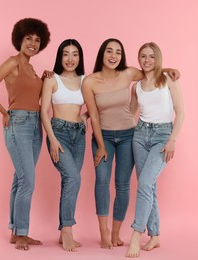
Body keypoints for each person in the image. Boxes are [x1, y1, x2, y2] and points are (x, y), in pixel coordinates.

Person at [82, 38, 179, 249]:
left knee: (124, 185)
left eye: (118, 52)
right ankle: (105, 232)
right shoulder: (89, 81)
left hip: (129, 135)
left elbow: (150, 72)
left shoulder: (129, 74)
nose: (113, 55)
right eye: (109, 51)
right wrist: (99, 142)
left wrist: (168, 69)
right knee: (102, 181)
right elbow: (97, 116)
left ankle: (120, 233)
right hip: (107, 136)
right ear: (102, 54)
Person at [0, 18, 50, 251]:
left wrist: (45, 79)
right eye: (28, 38)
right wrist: (3, 111)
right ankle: (21, 233)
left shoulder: (31, 68)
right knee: (27, 181)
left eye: (37, 40)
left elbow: (35, 95)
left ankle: (15, 230)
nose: (33, 43)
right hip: (18, 123)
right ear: (19, 39)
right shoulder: (13, 62)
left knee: (20, 180)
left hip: (35, 125)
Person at [126, 42, 184, 258]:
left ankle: (136, 235)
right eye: (143, 56)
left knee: (144, 183)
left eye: (151, 56)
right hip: (140, 136)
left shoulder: (168, 79)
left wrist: (172, 140)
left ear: (158, 58)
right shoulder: (137, 86)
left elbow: (181, 112)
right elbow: (130, 114)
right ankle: (155, 235)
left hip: (162, 136)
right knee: (148, 187)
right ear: (138, 58)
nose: (147, 60)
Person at [40, 39, 87, 252]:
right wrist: (52, 139)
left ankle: (62, 232)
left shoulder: (86, 80)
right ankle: (67, 228)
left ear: (80, 57)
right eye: (66, 54)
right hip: (58, 132)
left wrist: (85, 116)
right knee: (73, 177)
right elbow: (43, 112)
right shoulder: (52, 79)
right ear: (60, 57)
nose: (70, 59)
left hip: (79, 134)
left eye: (75, 54)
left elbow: (98, 106)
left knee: (71, 181)